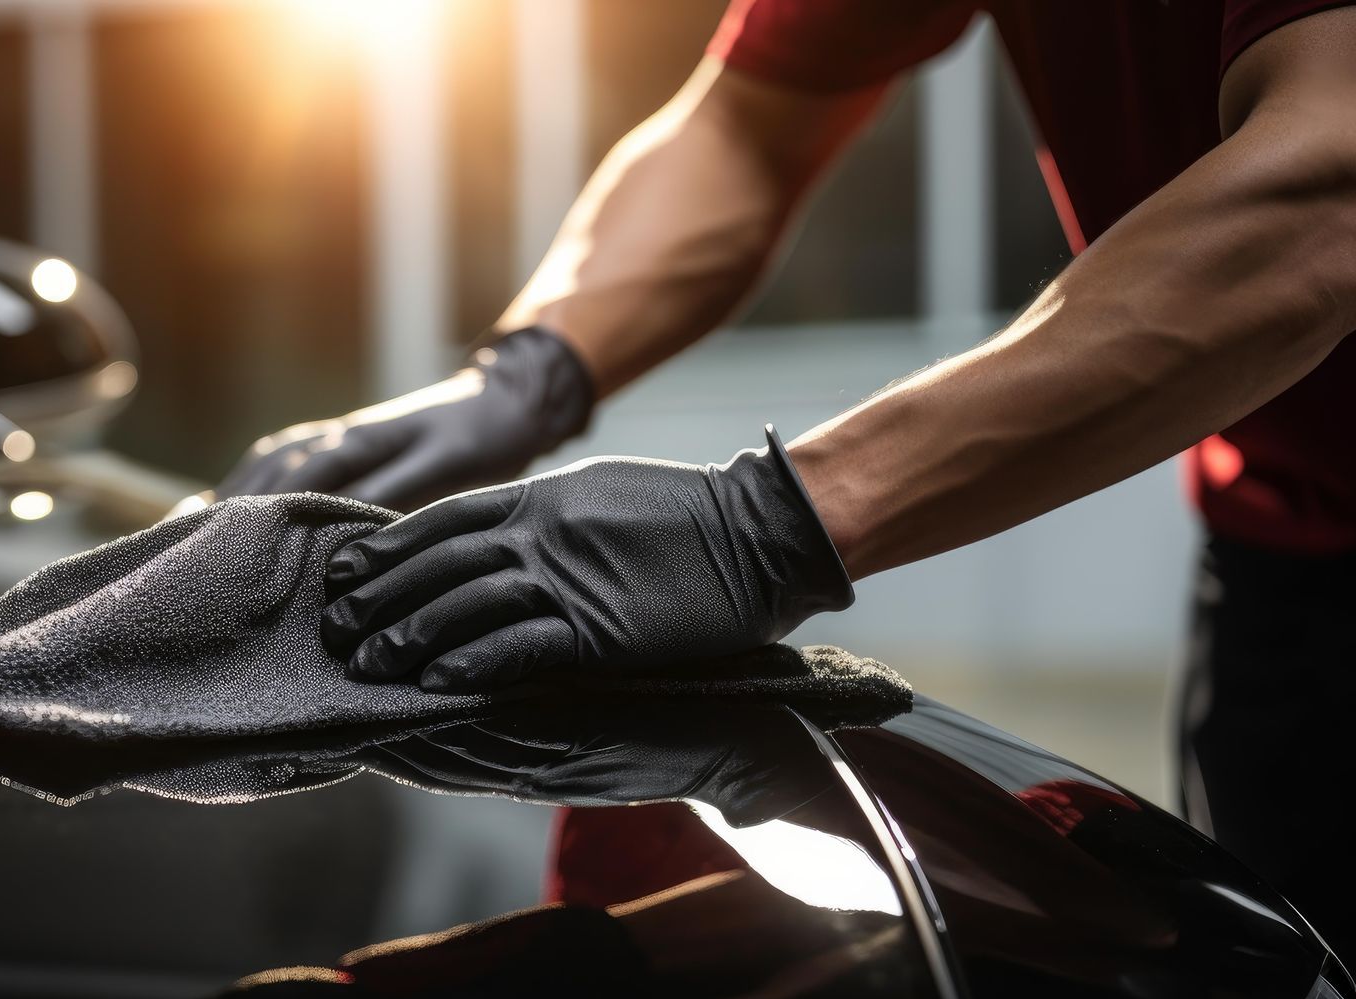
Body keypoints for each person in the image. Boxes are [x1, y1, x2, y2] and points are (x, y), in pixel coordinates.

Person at [217, 0, 1356, 941]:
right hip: (1286, 559)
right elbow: (751, 125)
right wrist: (528, 373)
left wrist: (757, 529)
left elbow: (1326, 198)